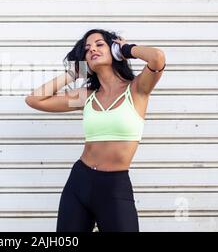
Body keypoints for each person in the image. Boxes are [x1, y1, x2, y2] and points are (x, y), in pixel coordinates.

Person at [25, 29, 166, 232]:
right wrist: (74, 73)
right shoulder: (86, 96)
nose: (92, 49)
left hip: (114, 187)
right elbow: (35, 100)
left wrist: (127, 49)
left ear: (114, 51)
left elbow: (157, 58)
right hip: (79, 183)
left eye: (99, 44)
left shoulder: (137, 90)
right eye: (87, 49)